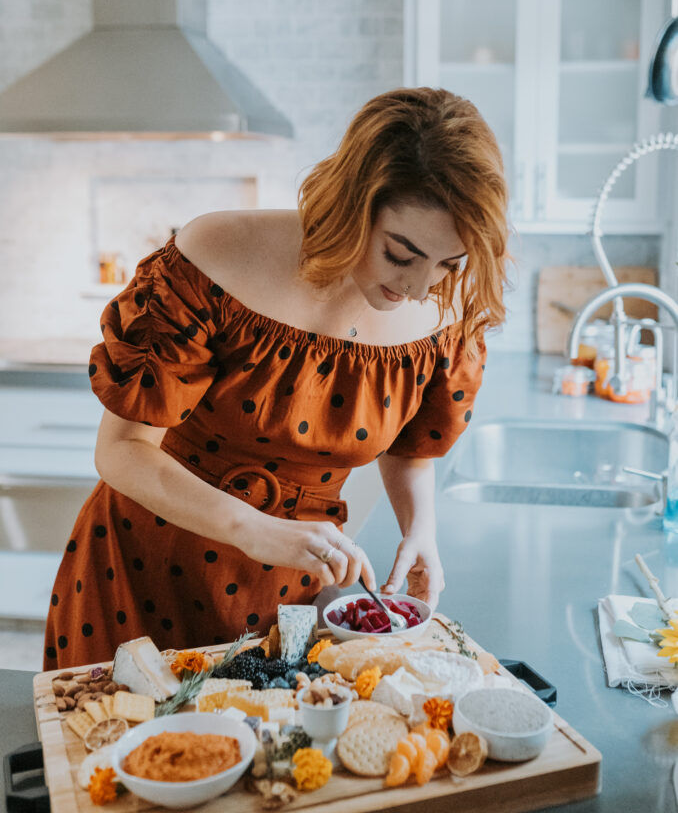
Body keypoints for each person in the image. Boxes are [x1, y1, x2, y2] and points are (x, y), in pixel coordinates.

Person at [43, 87, 509, 669]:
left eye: (449, 264)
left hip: (286, 594)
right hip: (140, 569)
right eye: (400, 253)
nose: (420, 287)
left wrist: (420, 531)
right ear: (352, 205)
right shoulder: (218, 251)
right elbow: (121, 451)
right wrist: (253, 528)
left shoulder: (446, 311)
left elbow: (413, 448)